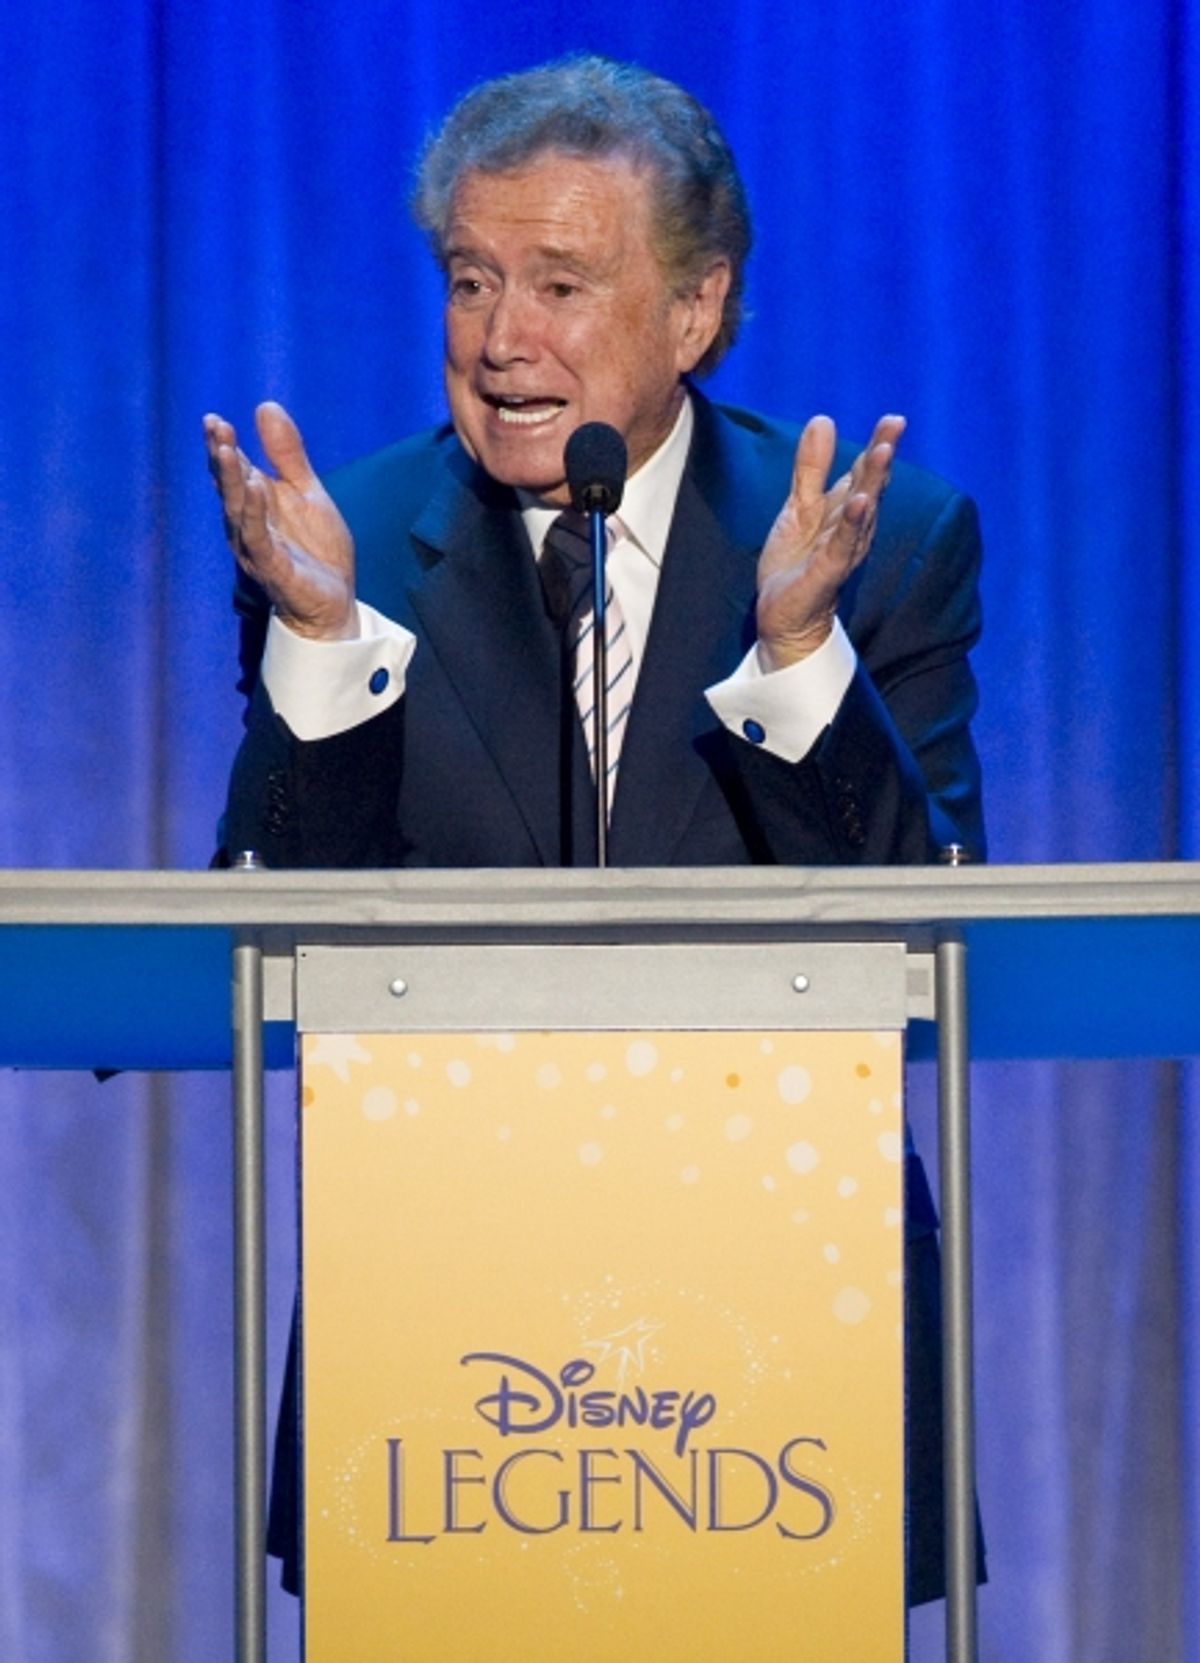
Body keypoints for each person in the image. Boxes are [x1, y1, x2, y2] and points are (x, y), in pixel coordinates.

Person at [206, 54, 984, 1605]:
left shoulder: (876, 541)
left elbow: (930, 930)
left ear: (694, 311)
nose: (501, 339)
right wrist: (321, 645)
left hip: (781, 1327)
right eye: (471, 280)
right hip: (444, 1338)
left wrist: (797, 658)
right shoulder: (345, 545)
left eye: (560, 285)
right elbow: (270, 912)